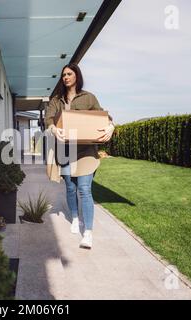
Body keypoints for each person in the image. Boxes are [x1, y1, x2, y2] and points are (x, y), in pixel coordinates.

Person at [44, 63, 114, 249]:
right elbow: (48, 119)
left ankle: (88, 233)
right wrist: (52, 129)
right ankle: (75, 218)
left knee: (84, 189)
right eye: (63, 75)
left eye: (69, 73)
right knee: (70, 187)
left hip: (85, 152)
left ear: (76, 76)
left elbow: (104, 116)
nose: (66, 77)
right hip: (65, 151)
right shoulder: (56, 100)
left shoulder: (88, 97)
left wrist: (110, 126)